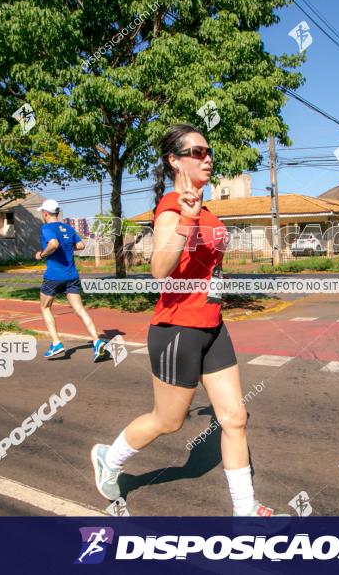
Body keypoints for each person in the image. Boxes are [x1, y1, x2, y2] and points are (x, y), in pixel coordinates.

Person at [90, 124, 285, 517]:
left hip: (212, 325)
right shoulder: (171, 207)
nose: (207, 157)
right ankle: (110, 459)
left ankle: (245, 511)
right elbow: (160, 270)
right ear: (174, 160)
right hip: (178, 328)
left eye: (208, 150)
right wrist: (185, 221)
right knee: (168, 421)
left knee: (235, 417)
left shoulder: (205, 209)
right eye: (196, 152)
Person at [36, 199, 107, 361]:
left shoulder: (47, 228)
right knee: (80, 309)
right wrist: (67, 247)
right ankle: (97, 341)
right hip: (72, 276)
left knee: (45, 307)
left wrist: (41, 254)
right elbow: (81, 245)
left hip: (54, 276)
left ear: (45, 213)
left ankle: (56, 343)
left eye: (42, 212)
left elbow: (53, 244)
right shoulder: (67, 227)